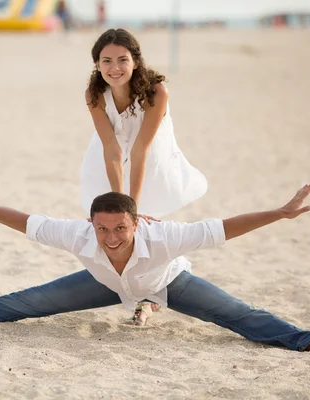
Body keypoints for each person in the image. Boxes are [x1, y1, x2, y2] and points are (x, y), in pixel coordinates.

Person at [0, 182, 310, 352]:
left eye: (120, 228)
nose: (112, 237)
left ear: (136, 222)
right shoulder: (79, 234)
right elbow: (26, 221)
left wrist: (279, 214)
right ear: (90, 224)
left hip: (168, 282)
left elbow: (224, 227)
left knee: (239, 316)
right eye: (103, 229)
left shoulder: (163, 238)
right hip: (101, 284)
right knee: (26, 303)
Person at [81, 28, 208, 324]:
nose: (115, 68)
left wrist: (131, 209)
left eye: (122, 60)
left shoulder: (156, 91)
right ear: (97, 65)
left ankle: (152, 297)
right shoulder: (94, 94)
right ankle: (141, 295)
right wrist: (118, 204)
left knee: (148, 223)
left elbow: (141, 151)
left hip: (153, 156)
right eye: (106, 61)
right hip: (107, 157)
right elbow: (111, 149)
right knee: (114, 225)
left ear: (136, 61)